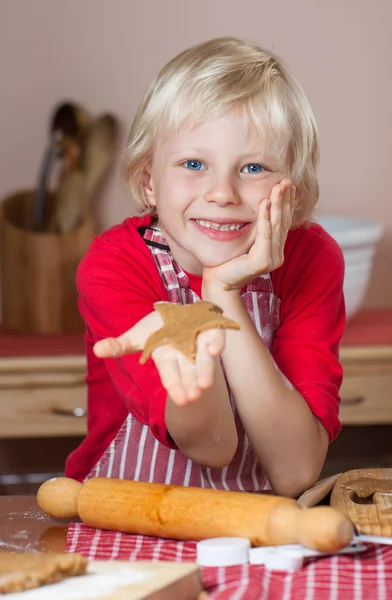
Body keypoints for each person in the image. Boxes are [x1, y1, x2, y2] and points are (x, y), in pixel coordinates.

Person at [65, 37, 345, 498]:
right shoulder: (114, 265)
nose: (222, 193)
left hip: (257, 527)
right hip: (124, 518)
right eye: (193, 163)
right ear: (148, 182)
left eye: (253, 168)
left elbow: (294, 470)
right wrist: (195, 330)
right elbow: (211, 445)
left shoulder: (311, 259)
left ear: (293, 189)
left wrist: (222, 293)